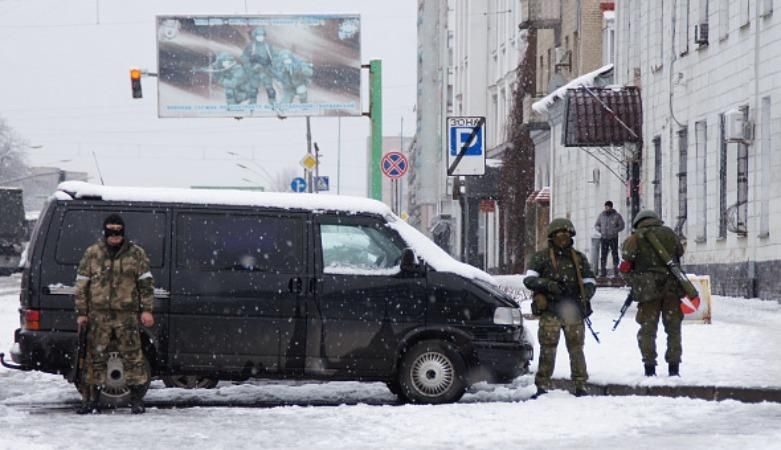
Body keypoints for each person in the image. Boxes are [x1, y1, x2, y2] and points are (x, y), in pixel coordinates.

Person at [73, 214, 155, 414]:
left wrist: (147, 310)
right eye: (111, 231)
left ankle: (136, 400)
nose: (115, 235)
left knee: (133, 356)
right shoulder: (92, 253)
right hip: (98, 314)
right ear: (105, 232)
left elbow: (146, 284)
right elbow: (82, 284)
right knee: (94, 357)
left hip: (126, 315)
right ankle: (91, 400)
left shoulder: (136, 254)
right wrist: (82, 312)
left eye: (118, 231)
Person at [524, 218, 597, 398]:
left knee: (576, 349)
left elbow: (590, 280)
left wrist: (585, 295)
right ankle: (542, 386)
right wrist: (548, 285)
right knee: (548, 349)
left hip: (573, 310)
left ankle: (580, 385)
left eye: (566, 233)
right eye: (559, 233)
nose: (563, 237)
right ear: (552, 236)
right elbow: (529, 280)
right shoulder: (541, 257)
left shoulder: (578, 258)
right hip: (551, 310)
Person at [619, 209, 686, 377]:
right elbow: (679, 251)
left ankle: (650, 367)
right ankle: (674, 368)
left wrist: (635, 281)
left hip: (648, 291)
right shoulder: (669, 233)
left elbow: (626, 259)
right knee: (673, 329)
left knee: (647, 330)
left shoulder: (634, 238)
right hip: (672, 288)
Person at [239, 27, 278, 106]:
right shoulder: (251, 46)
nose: (260, 37)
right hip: (255, 71)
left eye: (262, 35)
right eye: (258, 35)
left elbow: (275, 56)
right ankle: (252, 104)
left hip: (266, 70)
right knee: (253, 90)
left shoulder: (268, 46)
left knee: (270, 89)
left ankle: (273, 103)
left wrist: (272, 63)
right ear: (255, 36)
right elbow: (244, 57)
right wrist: (249, 65)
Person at [594, 200, 625, 277]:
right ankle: (603, 272)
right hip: (604, 238)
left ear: (611, 207)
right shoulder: (601, 215)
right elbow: (596, 225)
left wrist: (615, 230)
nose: (606, 208)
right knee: (603, 255)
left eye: (608, 207)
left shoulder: (616, 216)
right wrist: (600, 230)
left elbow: (622, 225)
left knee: (615, 254)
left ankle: (616, 271)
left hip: (613, 238)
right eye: (605, 207)